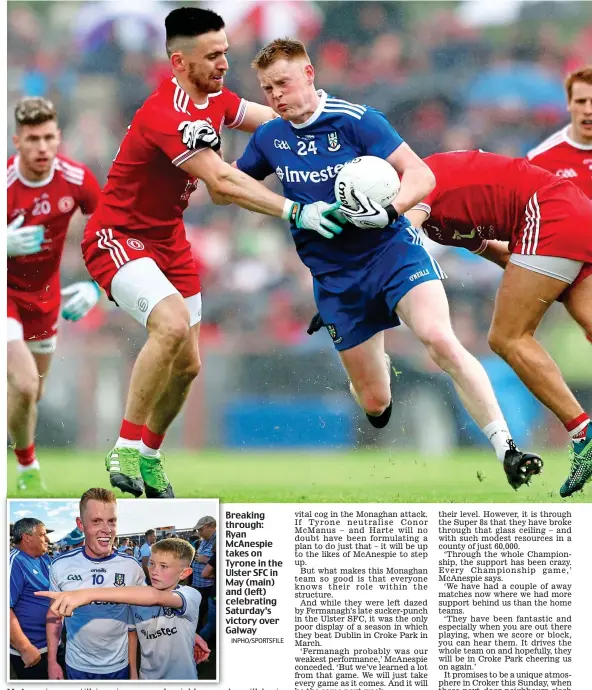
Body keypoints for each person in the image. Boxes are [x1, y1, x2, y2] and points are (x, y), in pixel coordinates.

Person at [197, 38, 540, 490]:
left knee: (440, 339)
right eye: (266, 88)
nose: (276, 95)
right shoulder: (269, 137)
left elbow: (422, 175)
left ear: (309, 74)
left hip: (392, 252)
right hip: (337, 281)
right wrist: (208, 158)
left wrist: (392, 210)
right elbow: (226, 191)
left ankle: (507, 449)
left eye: (282, 82)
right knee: (375, 402)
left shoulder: (357, 121)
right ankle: (377, 375)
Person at [82, 7, 342, 499]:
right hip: (118, 236)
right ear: (179, 61)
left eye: (225, 52)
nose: (225, 62)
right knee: (172, 324)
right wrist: (296, 211)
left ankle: (152, 456)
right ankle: (124, 445)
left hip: (169, 241)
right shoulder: (166, 112)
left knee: (188, 365)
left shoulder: (217, 98)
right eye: (213, 55)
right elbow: (220, 180)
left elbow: (270, 120)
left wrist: (324, 117)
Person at [402, 149, 592, 497]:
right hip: (568, 214)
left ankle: (585, 436)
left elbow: (399, 233)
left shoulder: (416, 177)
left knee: (507, 337)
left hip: (549, 213)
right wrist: (548, 288)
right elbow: (502, 255)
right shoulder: (440, 223)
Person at [7, 97, 102, 494]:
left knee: (32, 394)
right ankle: (22, 462)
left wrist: (97, 286)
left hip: (44, 299)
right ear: (17, 141)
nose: (42, 147)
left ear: (59, 137)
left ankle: (25, 460)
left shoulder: (77, 179)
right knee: (25, 384)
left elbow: (112, 232)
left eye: (49, 137)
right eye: (33, 139)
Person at [38, 538, 208, 680]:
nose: (154, 571)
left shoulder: (190, 594)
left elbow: (156, 598)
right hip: (147, 678)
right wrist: (133, 674)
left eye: (164, 566)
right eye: (152, 563)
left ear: (185, 573)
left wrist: (87, 594)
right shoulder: (136, 602)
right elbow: (132, 633)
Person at [45, 488, 145, 680]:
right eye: (96, 521)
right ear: (80, 524)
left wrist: (184, 633)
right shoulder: (60, 565)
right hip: (76, 664)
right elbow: (54, 617)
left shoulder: (131, 567)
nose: (106, 529)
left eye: (112, 521)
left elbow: (145, 613)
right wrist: (51, 661)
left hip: (118, 665)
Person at [526, 65, 592, 341]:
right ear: (569, 104)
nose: (588, 110)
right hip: (578, 267)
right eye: (581, 101)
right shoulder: (542, 160)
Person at [9, 518, 58, 679]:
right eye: (43, 534)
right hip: (33, 651)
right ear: (27, 537)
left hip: (54, 646)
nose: (48, 539)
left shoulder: (45, 559)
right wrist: (24, 647)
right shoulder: (14, 562)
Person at [191, 517, 216, 627]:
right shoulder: (204, 541)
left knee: (203, 616)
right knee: (197, 614)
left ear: (211, 527)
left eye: (201, 529)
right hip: (197, 584)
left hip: (208, 587)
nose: (199, 532)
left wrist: (204, 559)